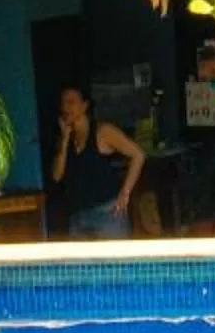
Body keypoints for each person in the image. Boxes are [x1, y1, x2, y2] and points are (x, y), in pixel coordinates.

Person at [50, 85, 146, 239]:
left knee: (114, 262)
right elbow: (56, 175)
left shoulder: (102, 132)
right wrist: (64, 139)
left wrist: (125, 192)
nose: (66, 107)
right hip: (78, 215)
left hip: (106, 212)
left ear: (84, 106)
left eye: (71, 102)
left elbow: (138, 155)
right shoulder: (65, 139)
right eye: (64, 103)